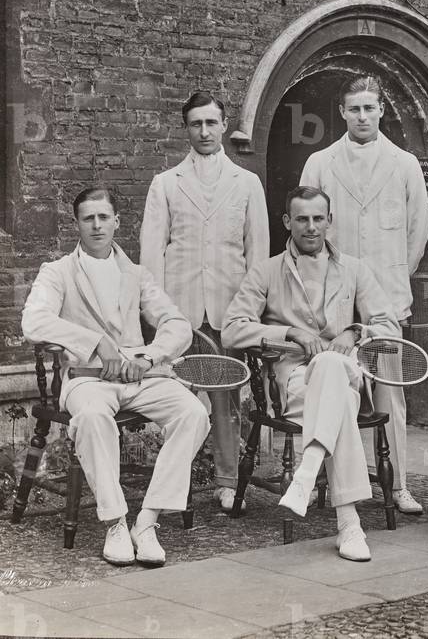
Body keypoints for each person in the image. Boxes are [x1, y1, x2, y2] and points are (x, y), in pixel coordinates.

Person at [22, 188, 210, 567]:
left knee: (193, 413)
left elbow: (177, 323)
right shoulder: (57, 272)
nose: (96, 225)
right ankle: (116, 523)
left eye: (103, 217)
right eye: (88, 218)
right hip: (87, 379)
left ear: (116, 222)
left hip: (141, 378)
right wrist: (96, 343)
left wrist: (148, 356)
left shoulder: (136, 274)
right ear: (76, 224)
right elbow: (34, 321)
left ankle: (148, 521)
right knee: (93, 418)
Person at [221, 187, 400, 561]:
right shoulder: (267, 271)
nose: (311, 227)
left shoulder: (354, 269)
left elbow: (389, 326)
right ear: (288, 221)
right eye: (302, 219)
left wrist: (355, 331)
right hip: (295, 382)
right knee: (338, 404)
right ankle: (348, 524)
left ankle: (307, 473)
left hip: (347, 373)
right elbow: (232, 330)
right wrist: (290, 333)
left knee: (332, 364)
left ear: (330, 221)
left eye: (319, 218)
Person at [300, 75, 428, 515]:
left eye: (369, 108)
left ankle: (398, 485)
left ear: (381, 111)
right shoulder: (320, 161)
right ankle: (320, 479)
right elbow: (308, 225)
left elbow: (417, 231)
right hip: (332, 297)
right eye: (354, 109)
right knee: (327, 384)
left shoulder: (404, 163)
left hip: (386, 295)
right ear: (342, 112)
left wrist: (392, 278)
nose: (361, 116)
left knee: (390, 391)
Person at [140, 91, 269, 513]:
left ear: (224, 125)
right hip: (180, 313)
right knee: (176, 399)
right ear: (186, 128)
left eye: (211, 123)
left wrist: (247, 311)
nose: (205, 131)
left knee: (226, 399)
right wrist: (160, 315)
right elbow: (151, 256)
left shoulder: (246, 183)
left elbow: (258, 256)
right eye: (196, 124)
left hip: (228, 309)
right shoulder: (166, 183)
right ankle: (172, 485)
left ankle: (227, 482)